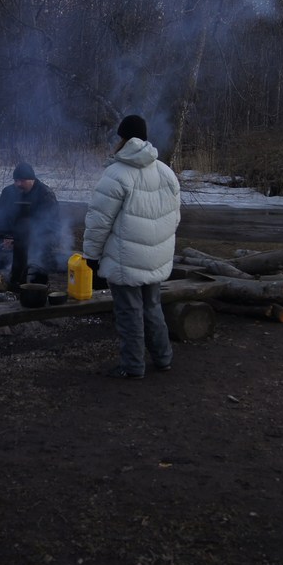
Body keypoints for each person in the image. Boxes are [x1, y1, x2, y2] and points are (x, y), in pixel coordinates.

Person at [82, 115, 181, 380]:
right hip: (156, 258)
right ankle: (163, 358)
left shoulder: (116, 173)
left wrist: (91, 256)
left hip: (126, 259)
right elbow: (175, 218)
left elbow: (98, 221)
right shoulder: (166, 171)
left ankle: (133, 365)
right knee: (152, 308)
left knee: (129, 313)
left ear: (123, 139)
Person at [0, 162, 63, 289]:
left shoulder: (45, 194)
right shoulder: (8, 192)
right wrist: (6, 236)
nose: (18, 184)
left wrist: (22, 239)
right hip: (11, 235)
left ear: (32, 180)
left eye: (22, 181)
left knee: (40, 246)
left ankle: (35, 282)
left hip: (39, 237)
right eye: (16, 180)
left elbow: (51, 225)